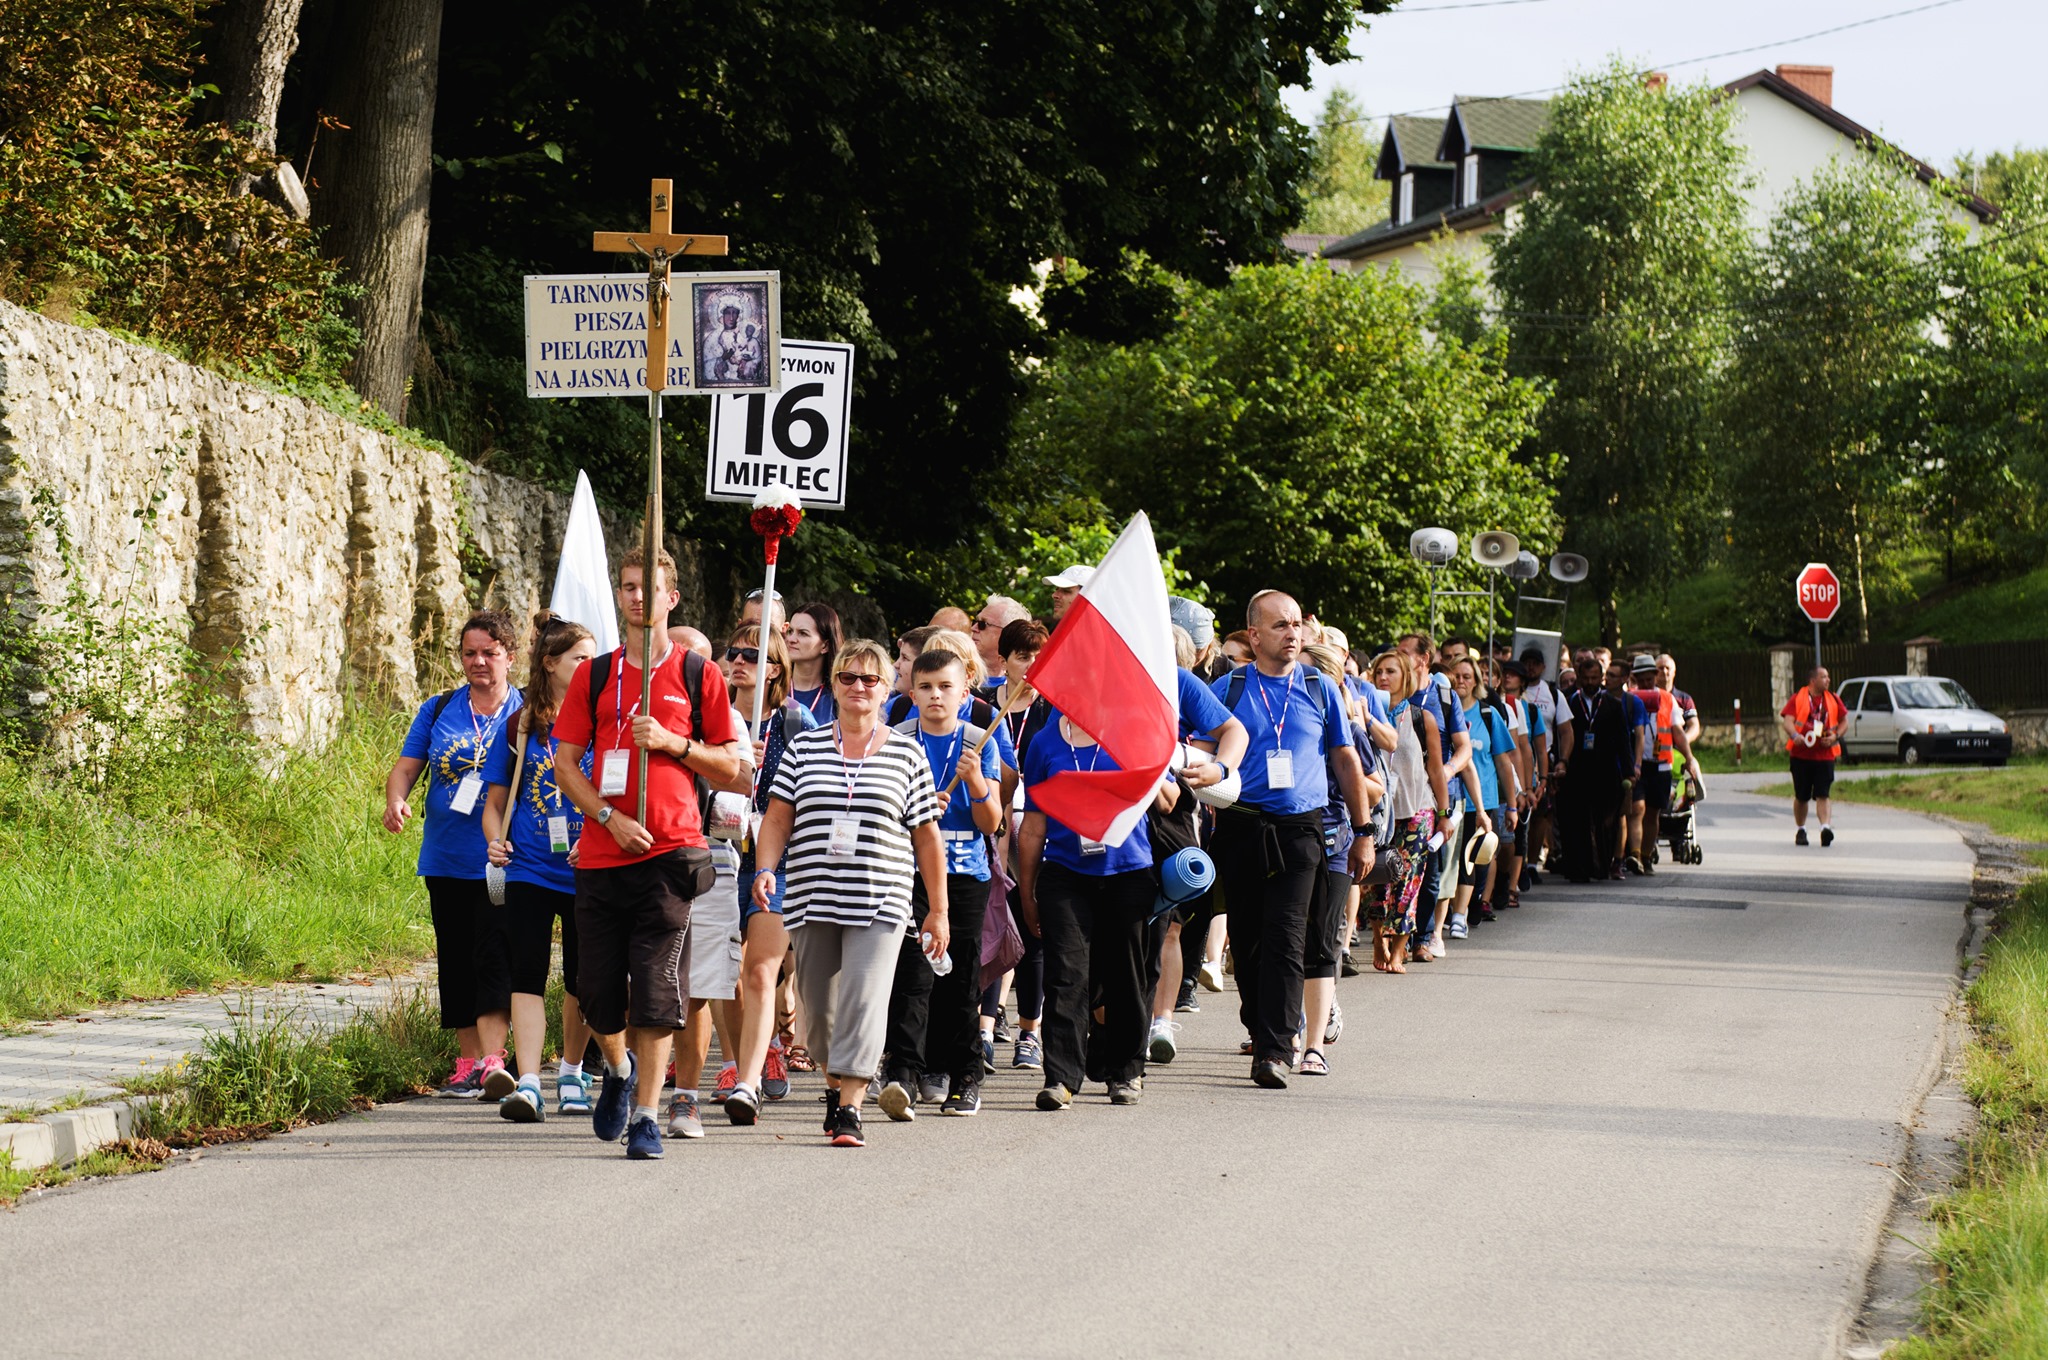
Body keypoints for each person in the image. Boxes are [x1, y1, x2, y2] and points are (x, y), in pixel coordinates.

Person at [550, 547, 747, 1161]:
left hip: (673, 854)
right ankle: (615, 1071)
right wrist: (607, 815)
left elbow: (734, 769)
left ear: (672, 598)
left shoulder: (697, 674)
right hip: (605, 854)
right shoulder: (596, 674)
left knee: (660, 989)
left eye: (650, 588)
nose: (638, 597)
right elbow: (563, 762)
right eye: (629, 586)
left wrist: (672, 743)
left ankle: (646, 1116)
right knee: (598, 991)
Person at [749, 640, 949, 1148]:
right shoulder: (805, 747)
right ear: (834, 684)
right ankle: (838, 1084)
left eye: (871, 679)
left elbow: (927, 836)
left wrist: (939, 910)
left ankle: (850, 1109)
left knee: (864, 999)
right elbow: (777, 818)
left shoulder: (908, 753)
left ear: (887, 689)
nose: (859, 687)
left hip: (880, 900)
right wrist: (766, 868)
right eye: (848, 678)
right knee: (819, 1019)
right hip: (812, 898)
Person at [1210, 590, 1373, 1089]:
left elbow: (1346, 761)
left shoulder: (1321, 687)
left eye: (1297, 624)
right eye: (1280, 625)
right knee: (1249, 940)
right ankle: (1262, 1029)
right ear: (1254, 635)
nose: (1293, 633)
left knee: (1287, 937)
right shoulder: (1229, 686)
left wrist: (1364, 832)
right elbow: (1199, 743)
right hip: (1241, 825)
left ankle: (1276, 1051)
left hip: (1302, 829)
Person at [384, 610, 525, 1098]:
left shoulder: (527, 712)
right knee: (456, 959)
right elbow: (406, 768)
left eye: (489, 652)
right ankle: (466, 1063)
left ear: (510, 654)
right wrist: (396, 800)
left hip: (504, 858)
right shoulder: (439, 708)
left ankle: (494, 1060)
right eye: (470, 653)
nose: (479, 661)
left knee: (495, 955)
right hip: (445, 856)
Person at [1016, 709, 1180, 1109]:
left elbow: (1170, 800)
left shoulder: (1133, 729)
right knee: (1065, 976)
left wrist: (1149, 759)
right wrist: (1026, 891)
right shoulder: (1044, 742)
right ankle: (1061, 1078)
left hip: (1128, 871)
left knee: (1126, 975)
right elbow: (1034, 824)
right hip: (1065, 873)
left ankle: (1126, 1072)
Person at [876, 649, 1003, 1120]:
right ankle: (903, 1071)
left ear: (964, 692)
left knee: (961, 977)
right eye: (926, 687)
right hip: (907, 871)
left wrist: (976, 784)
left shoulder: (979, 739)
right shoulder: (897, 739)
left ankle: (964, 1075)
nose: (935, 696)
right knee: (912, 973)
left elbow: (992, 823)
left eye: (946, 687)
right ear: (911, 694)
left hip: (965, 873)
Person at [481, 612, 598, 1120]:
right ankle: (529, 1080)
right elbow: (494, 802)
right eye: (582, 658)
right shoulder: (520, 723)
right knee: (526, 972)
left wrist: (598, 834)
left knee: (583, 978)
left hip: (589, 868)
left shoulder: (605, 720)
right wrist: (494, 842)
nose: (593, 666)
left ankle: (571, 1070)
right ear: (550, 664)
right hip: (528, 866)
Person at [719, 623, 820, 1124]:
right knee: (725, 974)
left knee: (760, 969)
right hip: (716, 851)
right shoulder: (711, 716)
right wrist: (730, 764)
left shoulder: (795, 723)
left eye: (752, 655)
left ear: (776, 668)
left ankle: (750, 1077)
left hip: (772, 858)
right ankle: (737, 1056)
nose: (739, 661)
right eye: (733, 652)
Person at [1297, 642, 1380, 1074]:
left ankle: (1314, 1040)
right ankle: (1283, 1027)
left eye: (1309, 674)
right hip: (1290, 837)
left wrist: (1337, 784)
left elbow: (1376, 786)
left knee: (1320, 937)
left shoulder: (1349, 727)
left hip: (1334, 840)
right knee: (1286, 939)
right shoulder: (1287, 719)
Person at [983, 619, 1054, 1070]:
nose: (1030, 665)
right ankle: (985, 1026)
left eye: (1037, 656)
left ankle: (1031, 1031)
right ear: (1004, 659)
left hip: (1039, 825)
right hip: (993, 823)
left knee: (1033, 927)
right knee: (994, 921)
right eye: (1022, 656)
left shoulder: (1054, 708)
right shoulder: (980, 705)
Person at [1365, 651, 1447, 973]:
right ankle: (1377, 938)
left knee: (1408, 878)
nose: (1384, 677)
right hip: (1379, 811)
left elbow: (1436, 769)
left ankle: (1400, 947)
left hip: (1418, 808)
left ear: (1406, 677)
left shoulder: (1421, 717)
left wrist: (1444, 813)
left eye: (1391, 672)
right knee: (1377, 879)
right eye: (1379, 671)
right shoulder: (1367, 714)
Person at [1445, 657, 1512, 942]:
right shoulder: (1443, 711)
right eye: (1456, 676)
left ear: (1477, 681)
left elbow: (1503, 761)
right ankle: (1453, 914)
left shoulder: (1488, 715)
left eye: (1467, 676)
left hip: (1483, 801)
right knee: (1451, 861)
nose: (1461, 681)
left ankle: (1466, 910)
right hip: (1450, 800)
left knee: (1474, 861)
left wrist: (1512, 803)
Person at [1555, 658, 1637, 883]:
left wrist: (1629, 770)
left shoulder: (1612, 704)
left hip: (1606, 771)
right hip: (1578, 771)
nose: (1590, 683)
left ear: (1600, 678)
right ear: (1580, 678)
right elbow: (1561, 734)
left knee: (1606, 822)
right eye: (1586, 679)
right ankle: (1580, 867)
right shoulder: (1571, 703)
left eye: (1594, 678)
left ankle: (1602, 865)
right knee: (1579, 821)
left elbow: (1623, 740)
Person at [1627, 653, 1705, 873]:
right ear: (1635, 677)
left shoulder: (1667, 699)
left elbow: (1678, 732)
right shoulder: (1630, 698)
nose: (1645, 682)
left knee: (1652, 813)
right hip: (1638, 763)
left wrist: (1689, 758)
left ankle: (1646, 855)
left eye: (1648, 678)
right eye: (1640, 678)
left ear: (1654, 676)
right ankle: (1634, 855)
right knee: (1637, 808)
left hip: (1661, 764)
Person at [1780, 666, 1846, 846]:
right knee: (1801, 796)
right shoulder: (1798, 698)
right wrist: (1795, 736)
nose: (1828, 680)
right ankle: (1801, 830)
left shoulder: (1832, 699)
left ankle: (1825, 828)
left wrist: (1835, 736)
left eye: (1828, 676)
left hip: (1825, 755)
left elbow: (1844, 722)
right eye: (1824, 677)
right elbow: (1788, 721)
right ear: (1813, 680)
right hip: (1801, 755)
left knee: (1823, 794)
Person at [785, 602, 843, 723]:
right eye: (790, 631)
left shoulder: (839, 694)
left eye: (803, 633)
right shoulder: (772, 687)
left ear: (825, 646)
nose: (791, 639)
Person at [970, 595, 1031, 678]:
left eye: (983, 624)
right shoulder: (956, 676)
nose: (973, 628)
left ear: (1007, 633)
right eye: (975, 622)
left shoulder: (1024, 686)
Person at [1657, 654, 1702, 745]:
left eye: (1667, 668)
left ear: (1674, 672)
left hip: (1678, 753)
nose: (1664, 671)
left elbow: (1694, 726)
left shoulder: (1685, 699)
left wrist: (1684, 740)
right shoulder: (1649, 697)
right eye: (1661, 668)